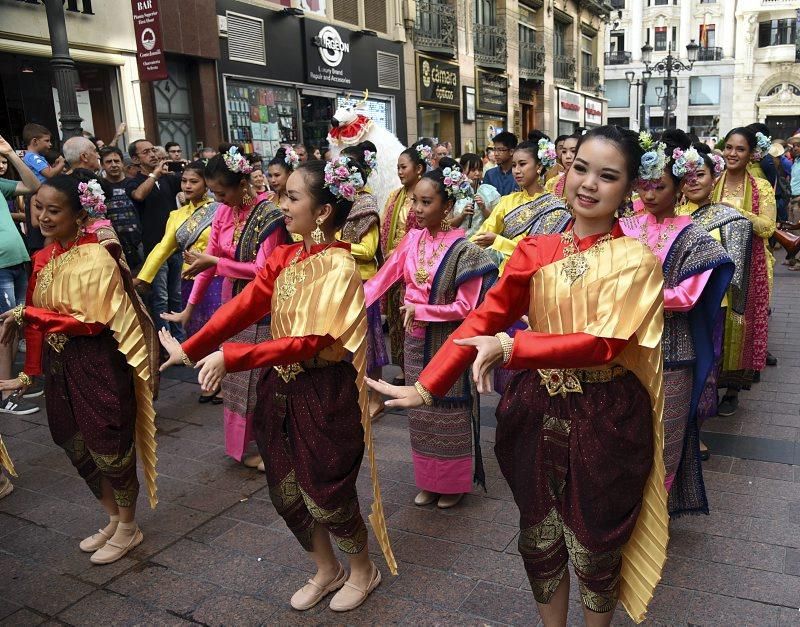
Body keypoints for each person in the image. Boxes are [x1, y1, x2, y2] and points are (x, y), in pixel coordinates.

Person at [369, 125, 669, 625]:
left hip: (607, 412)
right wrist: (426, 386)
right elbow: (482, 318)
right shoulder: (534, 249)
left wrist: (513, 345)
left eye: (607, 175)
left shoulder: (636, 259)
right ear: (566, 171)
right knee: (540, 538)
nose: (589, 184)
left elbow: (604, 343)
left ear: (630, 188)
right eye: (581, 169)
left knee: (596, 546)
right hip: (536, 406)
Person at [159, 158, 396, 612]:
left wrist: (235, 356)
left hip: (324, 390)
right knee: (285, 488)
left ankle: (363, 570)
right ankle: (327, 569)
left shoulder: (340, 267)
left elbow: (313, 342)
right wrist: (190, 348)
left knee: (327, 488)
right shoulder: (286, 256)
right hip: (278, 386)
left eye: (291, 197)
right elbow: (244, 307)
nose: (280, 204)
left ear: (322, 211)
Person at [0, 175, 159, 565]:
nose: (43, 217)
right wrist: (28, 373)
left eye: (54, 210)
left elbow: (89, 322)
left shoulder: (96, 254)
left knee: (110, 448)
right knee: (69, 440)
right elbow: (36, 328)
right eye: (39, 207)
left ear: (80, 212)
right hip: (59, 365)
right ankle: (112, 516)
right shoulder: (44, 256)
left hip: (97, 363)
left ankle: (129, 525)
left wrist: (28, 313)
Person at [365, 158, 498, 509]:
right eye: (415, 201)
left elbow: (467, 309)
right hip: (413, 341)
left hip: (450, 343)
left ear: (448, 205)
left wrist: (422, 309)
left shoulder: (465, 250)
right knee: (421, 412)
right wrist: (343, 302)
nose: (418, 209)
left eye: (427, 202)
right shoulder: (411, 240)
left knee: (448, 411)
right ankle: (429, 480)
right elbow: (380, 282)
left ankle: (452, 483)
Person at [622, 131, 733, 517]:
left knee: (666, 435)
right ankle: (627, 508)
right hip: (624, 345)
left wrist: (629, 297)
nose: (649, 194)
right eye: (645, 186)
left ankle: (657, 513)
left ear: (679, 187)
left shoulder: (695, 235)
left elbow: (686, 298)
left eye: (659, 186)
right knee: (626, 431)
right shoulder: (624, 228)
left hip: (673, 350)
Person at [162, 148, 288, 467]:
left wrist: (217, 262)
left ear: (242, 184)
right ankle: (244, 446)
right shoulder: (223, 212)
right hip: (231, 306)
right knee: (234, 379)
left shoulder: (269, 216)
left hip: (261, 309)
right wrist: (189, 309)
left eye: (221, 192)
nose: (217, 199)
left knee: (258, 378)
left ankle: (266, 446)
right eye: (214, 193)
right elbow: (208, 263)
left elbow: (264, 271)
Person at [677, 148, 753, 459]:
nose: (693, 181)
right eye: (688, 175)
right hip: (671, 305)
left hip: (711, 305)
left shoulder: (730, 218)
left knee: (705, 366)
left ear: (714, 177)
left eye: (701, 174)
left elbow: (734, 267)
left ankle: (696, 430)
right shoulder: (670, 215)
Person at [134, 162, 223, 389]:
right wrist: (143, 278)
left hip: (216, 279)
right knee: (195, 331)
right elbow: (163, 247)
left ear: (207, 184)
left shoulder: (220, 210)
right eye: (184, 181)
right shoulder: (176, 215)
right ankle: (207, 380)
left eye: (194, 181)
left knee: (216, 329)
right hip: (188, 282)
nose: (188, 185)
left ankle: (221, 381)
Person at [712, 127, 776, 416]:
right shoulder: (713, 181)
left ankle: (734, 389)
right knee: (717, 323)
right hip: (715, 264)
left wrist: (735, 213)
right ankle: (711, 383)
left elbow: (768, 227)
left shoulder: (760, 187)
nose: (732, 154)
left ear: (751, 154)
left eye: (739, 149)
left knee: (742, 323)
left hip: (750, 265)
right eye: (728, 147)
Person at [338, 144, 388, 419]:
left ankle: (376, 397)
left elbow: (368, 251)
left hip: (364, 283)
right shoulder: (341, 201)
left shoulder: (366, 205)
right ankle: (352, 395)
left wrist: (338, 245)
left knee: (369, 343)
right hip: (341, 280)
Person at [472, 140, 570, 273]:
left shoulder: (556, 208)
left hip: (537, 277)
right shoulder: (507, 201)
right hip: (503, 274)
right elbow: (482, 234)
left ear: (539, 166)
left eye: (522, 164)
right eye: (513, 165)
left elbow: (544, 253)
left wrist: (499, 241)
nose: (516, 171)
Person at [124, 139, 184, 340]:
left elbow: (188, 184)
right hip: (153, 248)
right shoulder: (133, 181)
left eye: (153, 150)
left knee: (176, 296)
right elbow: (139, 196)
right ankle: (165, 343)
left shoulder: (168, 179)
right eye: (146, 152)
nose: (152, 154)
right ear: (135, 159)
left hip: (175, 245)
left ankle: (180, 339)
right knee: (160, 298)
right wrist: (154, 174)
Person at [0, 135, 41, 417]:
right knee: (5, 329)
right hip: (1, 267)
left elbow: (33, 186)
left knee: (15, 326)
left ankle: (11, 384)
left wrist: (12, 154)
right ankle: (4, 394)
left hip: (16, 262)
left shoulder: (0, 186)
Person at [379, 144, 426, 383]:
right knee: (397, 321)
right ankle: (403, 366)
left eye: (403, 167)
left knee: (414, 317)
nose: (399, 172)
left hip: (414, 266)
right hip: (393, 267)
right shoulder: (395, 196)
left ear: (418, 169)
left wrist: (401, 253)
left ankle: (419, 365)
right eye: (397, 167)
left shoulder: (425, 197)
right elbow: (386, 227)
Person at [23, 123, 65, 254]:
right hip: (36, 195)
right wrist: (61, 164)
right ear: (35, 141)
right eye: (46, 141)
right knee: (41, 237)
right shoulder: (31, 156)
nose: (50, 144)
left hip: (42, 194)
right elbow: (49, 174)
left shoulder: (38, 157)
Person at [100, 147, 143, 271]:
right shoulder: (98, 187)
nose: (113, 165)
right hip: (112, 244)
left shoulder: (134, 184)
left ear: (122, 163)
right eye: (108, 162)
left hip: (137, 243)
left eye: (116, 161)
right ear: (102, 165)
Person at [449, 153, 501, 243]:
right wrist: (462, 216)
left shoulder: (489, 191)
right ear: (462, 170)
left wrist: (483, 208)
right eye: (473, 170)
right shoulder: (453, 192)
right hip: (458, 243)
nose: (477, 173)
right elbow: (445, 224)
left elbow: (498, 222)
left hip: (482, 242)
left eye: (480, 170)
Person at [483, 131, 519, 196]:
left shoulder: (519, 173)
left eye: (500, 150)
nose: (496, 154)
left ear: (511, 151)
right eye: (495, 149)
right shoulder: (490, 174)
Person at [545, 132, 580, 198]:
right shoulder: (552, 183)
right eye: (564, 151)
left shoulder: (588, 184)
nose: (567, 156)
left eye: (573, 151)